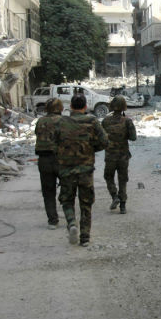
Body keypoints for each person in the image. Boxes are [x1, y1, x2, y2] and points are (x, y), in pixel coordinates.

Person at [56, 94, 108, 246]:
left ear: (71, 106)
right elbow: (105, 141)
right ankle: (85, 237)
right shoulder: (92, 121)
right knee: (86, 203)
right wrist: (90, 149)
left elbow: (53, 143)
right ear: (85, 107)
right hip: (86, 169)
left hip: (66, 169)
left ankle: (72, 223)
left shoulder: (61, 122)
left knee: (67, 200)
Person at [102, 95, 137, 214]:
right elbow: (133, 138)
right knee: (122, 180)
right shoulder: (127, 121)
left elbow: (101, 137)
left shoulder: (105, 121)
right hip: (123, 155)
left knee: (108, 177)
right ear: (124, 107)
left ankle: (114, 196)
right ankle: (123, 206)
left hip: (110, 155)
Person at [34, 98, 62, 229]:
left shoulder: (40, 121)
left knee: (48, 191)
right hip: (60, 159)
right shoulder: (63, 121)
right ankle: (70, 216)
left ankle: (52, 220)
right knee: (68, 187)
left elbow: (37, 133)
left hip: (44, 159)